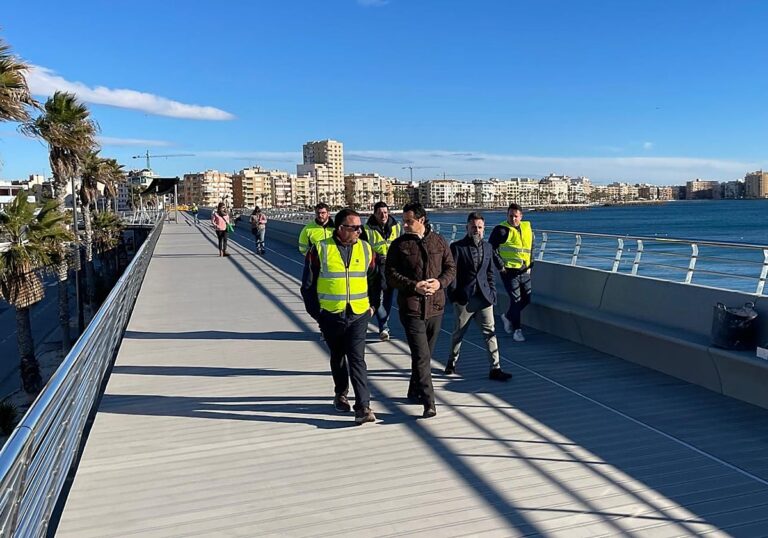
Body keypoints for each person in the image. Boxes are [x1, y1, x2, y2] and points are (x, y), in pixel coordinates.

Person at [301, 208, 380, 425]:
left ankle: (363, 406)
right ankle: (340, 393)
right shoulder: (320, 249)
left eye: (359, 227)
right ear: (341, 228)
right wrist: (318, 313)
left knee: (357, 358)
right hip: (330, 314)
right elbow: (307, 286)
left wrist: (373, 305)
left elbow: (375, 279)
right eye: (354, 227)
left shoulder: (366, 249)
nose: (358, 231)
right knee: (338, 356)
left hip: (358, 313)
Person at [387, 202, 455, 418]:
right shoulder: (398, 245)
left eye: (409, 221)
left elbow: (450, 268)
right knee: (422, 355)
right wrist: (413, 286)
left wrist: (440, 283)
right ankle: (429, 402)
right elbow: (390, 274)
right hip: (412, 308)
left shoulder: (439, 241)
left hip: (435, 307)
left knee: (424, 355)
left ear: (422, 220)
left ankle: (413, 390)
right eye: (403, 221)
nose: (405, 225)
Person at [445, 213, 512, 381]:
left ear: (484, 228)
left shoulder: (488, 247)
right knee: (458, 333)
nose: (477, 230)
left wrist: (492, 294)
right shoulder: (457, 247)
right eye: (474, 227)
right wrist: (453, 295)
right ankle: (451, 362)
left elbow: (490, 273)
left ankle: (495, 368)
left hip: (484, 298)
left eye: (480, 227)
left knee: (490, 332)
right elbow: (452, 274)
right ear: (467, 227)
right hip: (464, 299)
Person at [489, 203, 534, 342]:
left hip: (524, 270)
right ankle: (517, 330)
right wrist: (500, 266)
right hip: (509, 271)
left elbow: (531, 246)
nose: (513, 219)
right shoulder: (501, 230)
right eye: (510, 216)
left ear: (521, 216)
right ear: (507, 215)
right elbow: (491, 248)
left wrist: (531, 263)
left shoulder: (527, 228)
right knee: (516, 300)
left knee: (526, 299)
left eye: (516, 216)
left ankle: (507, 317)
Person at [361, 201, 401, 341]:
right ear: (375, 214)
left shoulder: (396, 226)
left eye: (385, 212)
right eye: (380, 213)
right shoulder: (366, 229)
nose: (383, 215)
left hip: (392, 266)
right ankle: (384, 326)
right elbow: (362, 248)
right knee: (376, 298)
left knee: (389, 297)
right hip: (375, 267)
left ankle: (384, 324)